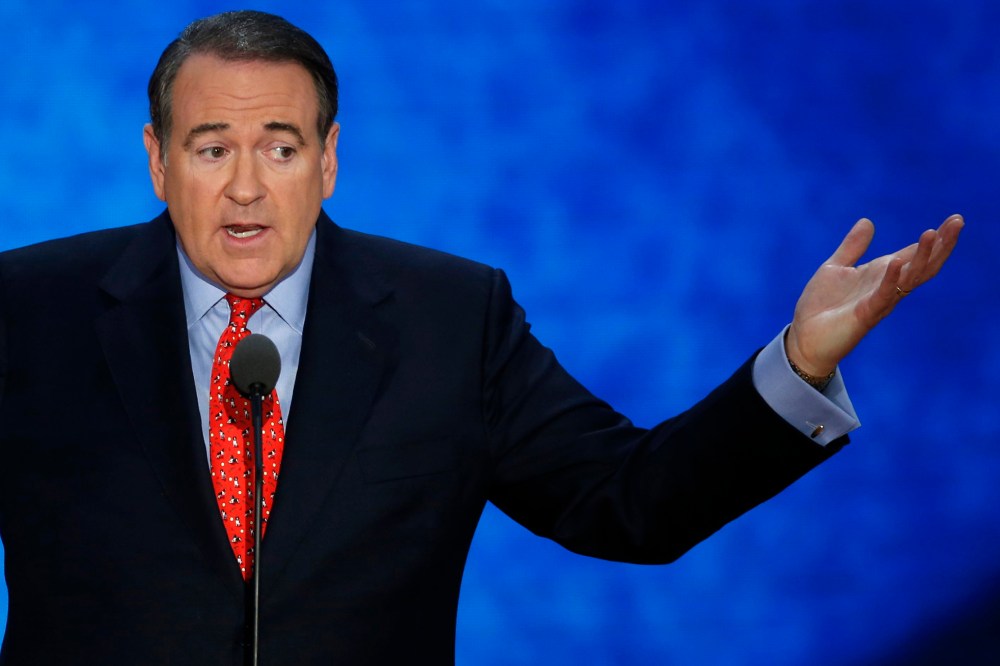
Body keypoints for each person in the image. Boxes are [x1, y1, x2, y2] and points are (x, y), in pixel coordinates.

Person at [0, 10, 962, 665]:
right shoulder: (28, 310)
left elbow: (630, 503)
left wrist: (798, 362)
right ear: (158, 161)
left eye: (281, 148)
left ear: (328, 161)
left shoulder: (448, 320)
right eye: (212, 148)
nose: (247, 187)